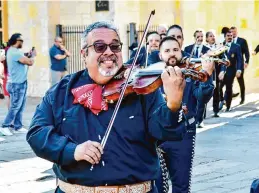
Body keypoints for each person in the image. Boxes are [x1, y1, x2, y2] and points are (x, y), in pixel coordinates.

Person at [27, 21, 187, 193]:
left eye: (115, 46)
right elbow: (37, 133)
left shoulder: (142, 89)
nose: (109, 52)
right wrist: (72, 150)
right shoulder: (60, 92)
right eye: (99, 46)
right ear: (84, 54)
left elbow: (167, 132)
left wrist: (174, 104)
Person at [155, 36, 214, 193]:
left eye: (175, 50)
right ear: (160, 55)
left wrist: (207, 76)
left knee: (181, 185)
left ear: (181, 52)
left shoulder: (190, 75)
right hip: (157, 136)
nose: (172, 54)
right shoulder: (152, 76)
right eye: (167, 51)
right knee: (157, 186)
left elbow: (203, 96)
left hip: (183, 135)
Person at [0, 33, 35, 136]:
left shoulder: (14, 51)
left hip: (19, 83)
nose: (22, 42)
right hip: (17, 84)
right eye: (21, 41)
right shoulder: (14, 53)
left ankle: (17, 126)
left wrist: (27, 55)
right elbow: (30, 62)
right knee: (15, 106)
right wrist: (32, 56)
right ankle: (5, 126)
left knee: (20, 106)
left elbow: (23, 58)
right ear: (16, 41)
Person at [219, 30, 242, 112]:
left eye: (231, 36)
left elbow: (240, 59)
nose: (229, 37)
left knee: (229, 88)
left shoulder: (236, 46)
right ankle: (222, 100)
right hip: (221, 70)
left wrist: (239, 70)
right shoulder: (221, 46)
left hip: (231, 71)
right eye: (228, 36)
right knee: (219, 87)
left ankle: (228, 106)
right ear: (225, 37)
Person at [230, 26, 250, 104]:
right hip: (230, 65)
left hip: (239, 65)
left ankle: (242, 98)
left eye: (234, 31)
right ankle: (229, 96)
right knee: (229, 82)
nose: (233, 33)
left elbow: (247, 52)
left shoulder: (242, 41)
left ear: (237, 31)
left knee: (240, 81)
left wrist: (246, 61)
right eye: (231, 32)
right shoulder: (228, 41)